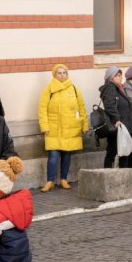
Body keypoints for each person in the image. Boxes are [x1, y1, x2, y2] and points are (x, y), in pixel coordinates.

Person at [37, 64, 88, 192]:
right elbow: (42, 109)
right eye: (59, 73)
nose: (62, 75)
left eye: (64, 72)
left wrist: (84, 125)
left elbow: (82, 108)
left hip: (70, 129)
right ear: (54, 75)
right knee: (53, 156)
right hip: (54, 129)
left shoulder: (74, 89)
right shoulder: (49, 90)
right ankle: (50, 181)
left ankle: (63, 179)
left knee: (66, 156)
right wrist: (44, 126)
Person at [100, 66, 128, 168]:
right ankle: (107, 175)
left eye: (121, 75)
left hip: (120, 124)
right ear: (111, 77)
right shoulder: (110, 87)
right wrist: (117, 119)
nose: (121, 78)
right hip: (116, 125)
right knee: (113, 150)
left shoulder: (118, 87)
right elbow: (110, 106)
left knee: (122, 151)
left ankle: (122, 176)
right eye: (118, 75)